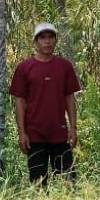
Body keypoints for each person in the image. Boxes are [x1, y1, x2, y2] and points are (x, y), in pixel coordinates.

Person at [9, 22, 82, 184]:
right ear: (35, 42)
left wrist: (73, 128)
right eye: (42, 38)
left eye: (50, 37)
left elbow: (70, 98)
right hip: (34, 135)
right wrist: (21, 132)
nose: (47, 41)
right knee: (38, 183)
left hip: (60, 134)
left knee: (68, 181)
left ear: (56, 41)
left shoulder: (64, 66)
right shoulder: (24, 68)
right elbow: (19, 102)